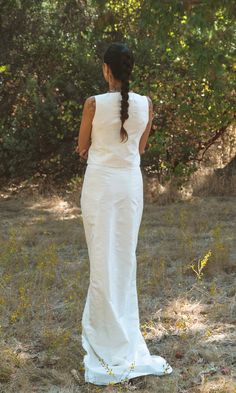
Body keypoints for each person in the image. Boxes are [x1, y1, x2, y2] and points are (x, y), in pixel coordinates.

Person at [75, 42, 173, 386]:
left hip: (101, 186)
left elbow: (82, 148)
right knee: (123, 257)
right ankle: (122, 333)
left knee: (102, 259)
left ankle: (106, 337)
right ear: (130, 69)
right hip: (130, 187)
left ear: (106, 69)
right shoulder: (147, 104)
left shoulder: (93, 104)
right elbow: (140, 148)